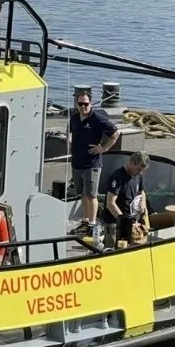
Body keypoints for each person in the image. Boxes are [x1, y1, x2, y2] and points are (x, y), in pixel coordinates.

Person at [67, 90, 120, 241]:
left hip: (92, 164)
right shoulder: (75, 117)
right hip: (77, 162)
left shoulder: (97, 119)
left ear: (90, 104)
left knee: (91, 195)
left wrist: (103, 148)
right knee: (82, 194)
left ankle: (92, 224)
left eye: (86, 104)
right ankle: (84, 221)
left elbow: (115, 133)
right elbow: (70, 130)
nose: (83, 107)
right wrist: (69, 139)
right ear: (76, 104)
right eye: (80, 104)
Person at [101, 151, 150, 247]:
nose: (140, 172)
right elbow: (110, 203)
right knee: (113, 250)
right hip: (115, 223)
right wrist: (124, 222)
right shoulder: (117, 177)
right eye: (139, 169)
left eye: (142, 170)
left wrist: (143, 203)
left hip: (132, 222)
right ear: (132, 162)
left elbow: (141, 191)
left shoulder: (138, 176)